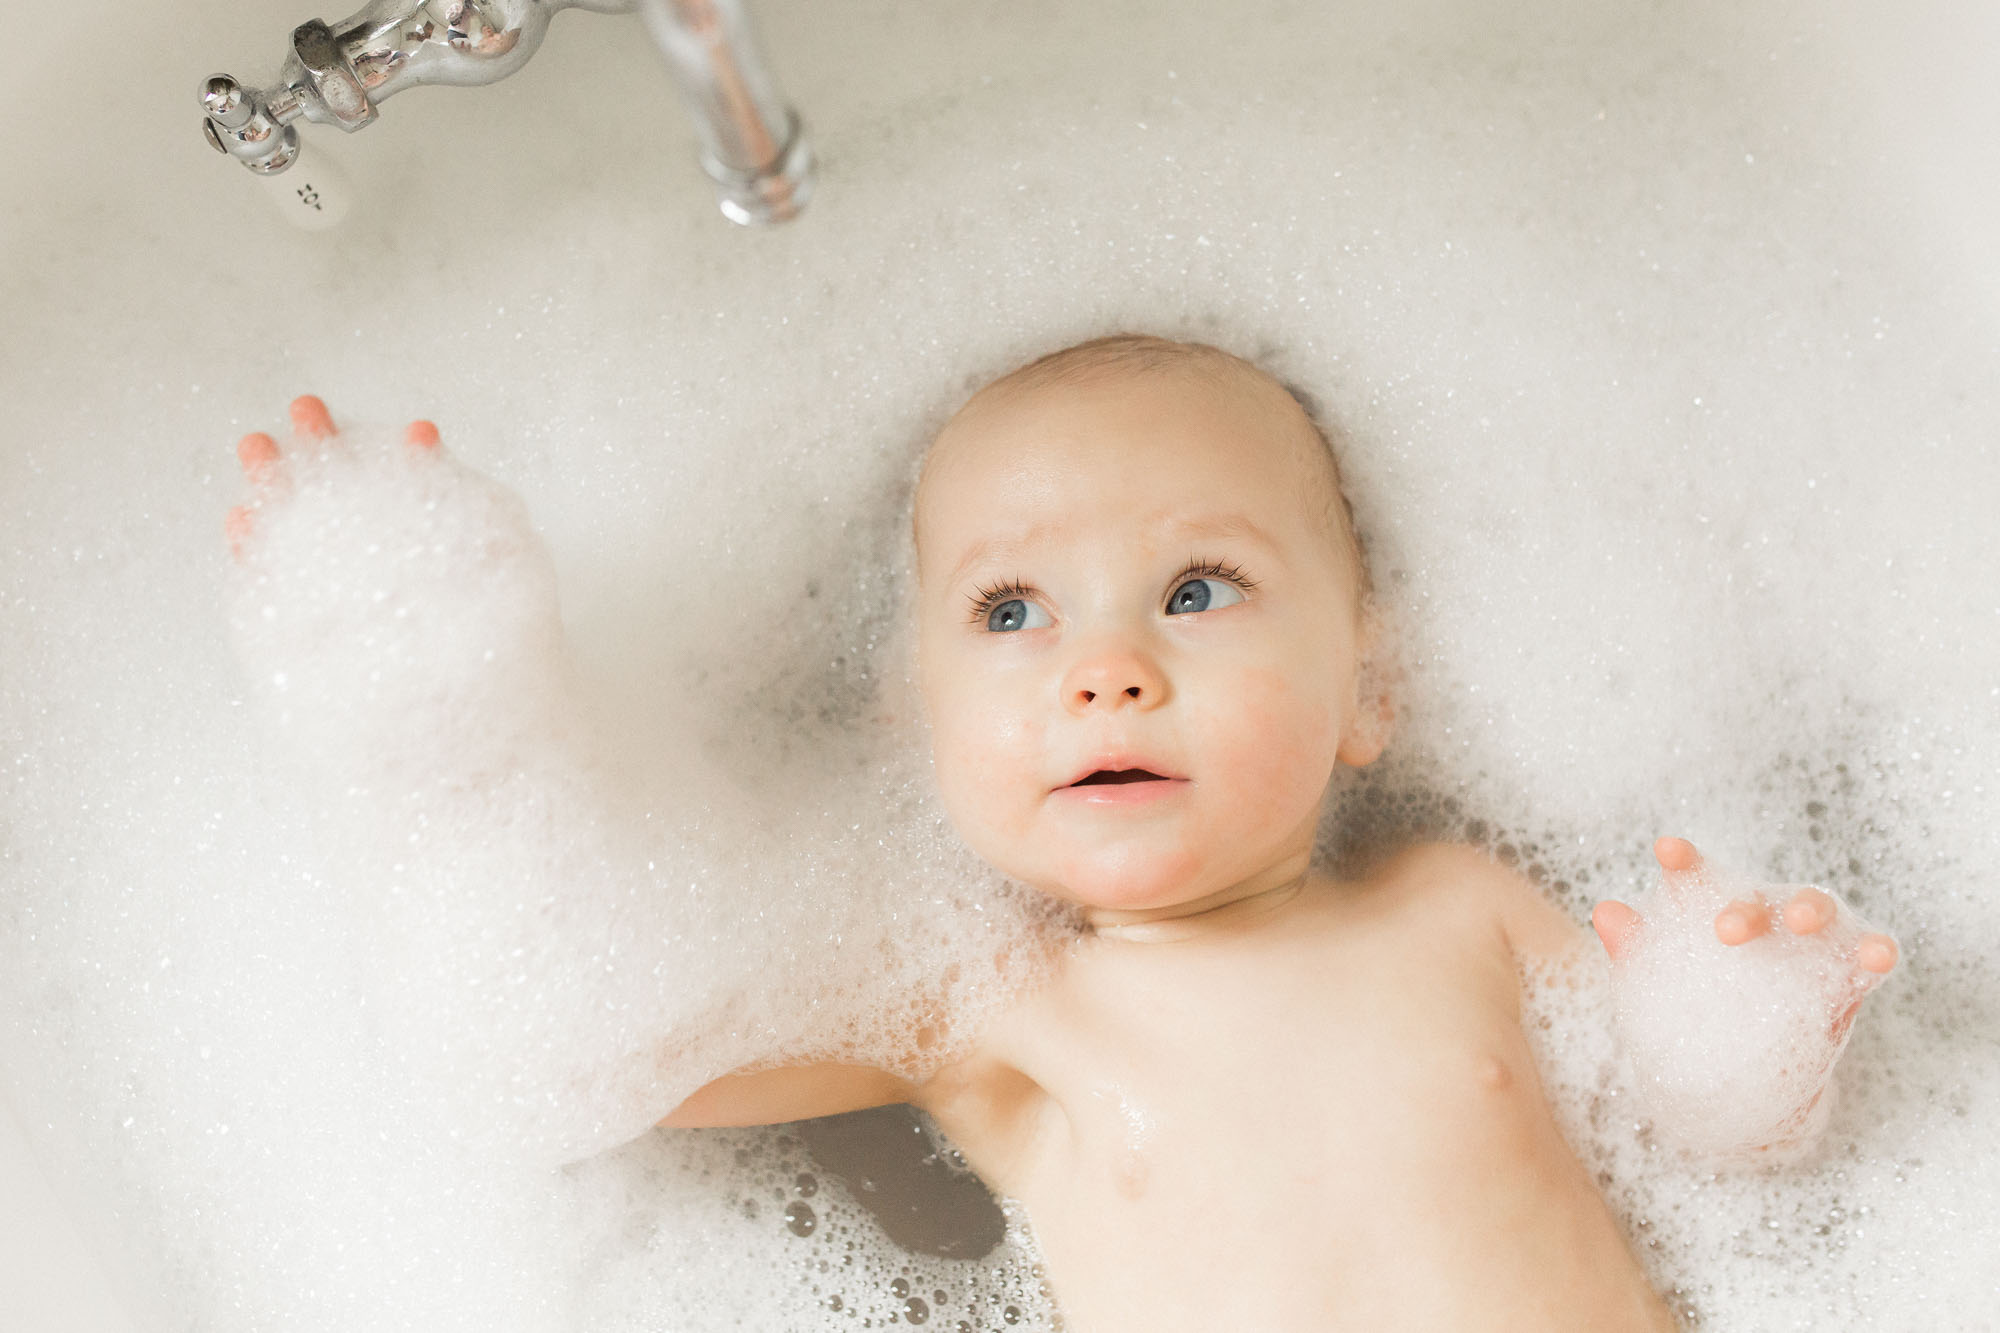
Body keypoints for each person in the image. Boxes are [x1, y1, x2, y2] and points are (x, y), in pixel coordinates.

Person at [229, 335, 1898, 1331]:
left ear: (1369, 687)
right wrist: (449, 743)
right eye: (1011, 609)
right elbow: (607, 1051)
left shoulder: (1458, 908)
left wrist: (1747, 1037)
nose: (1109, 667)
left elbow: (1701, 1137)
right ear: (917, 725)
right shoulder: (1003, 1014)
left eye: (1200, 588)